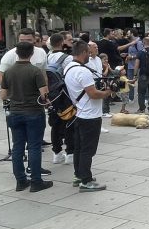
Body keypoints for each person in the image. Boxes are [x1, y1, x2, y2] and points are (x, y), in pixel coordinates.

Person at [1, 41, 52, 193]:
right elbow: (44, 95)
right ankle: (36, 181)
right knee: (34, 146)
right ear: (31, 53)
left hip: (15, 113)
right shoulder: (35, 71)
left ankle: (21, 181)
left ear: (16, 52)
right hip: (34, 112)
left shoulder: (8, 72)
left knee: (17, 147)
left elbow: (3, 95)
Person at [64, 40, 112, 191]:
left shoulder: (68, 67)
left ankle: (78, 175)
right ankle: (86, 180)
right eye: (88, 53)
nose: (89, 55)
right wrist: (108, 93)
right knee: (87, 150)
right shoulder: (82, 71)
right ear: (84, 52)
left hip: (79, 113)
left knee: (79, 147)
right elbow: (93, 94)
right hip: (90, 116)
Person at [46, 32, 75, 164]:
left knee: (55, 124)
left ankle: (56, 153)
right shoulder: (67, 58)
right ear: (62, 42)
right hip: (64, 94)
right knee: (69, 122)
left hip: (51, 95)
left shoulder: (45, 57)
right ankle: (70, 153)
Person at [134, 37, 149, 115]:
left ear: (143, 43)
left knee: (141, 93)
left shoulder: (140, 52)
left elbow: (137, 65)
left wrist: (135, 75)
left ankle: (142, 109)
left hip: (143, 75)